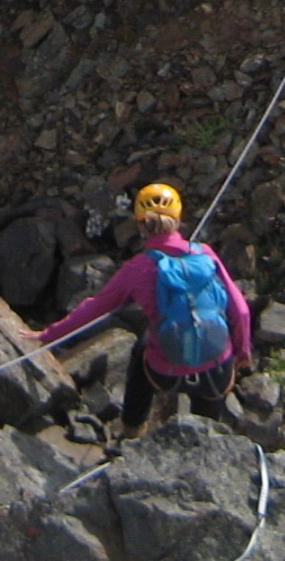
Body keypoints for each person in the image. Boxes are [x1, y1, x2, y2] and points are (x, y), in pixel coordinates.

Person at [37, 183, 253, 431]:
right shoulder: (205, 254)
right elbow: (241, 310)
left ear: (141, 225)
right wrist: (242, 352)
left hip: (165, 373)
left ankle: (131, 426)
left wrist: (47, 336)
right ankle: (203, 438)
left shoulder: (137, 268)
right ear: (178, 219)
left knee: (143, 347)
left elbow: (93, 309)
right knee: (206, 416)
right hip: (214, 371)